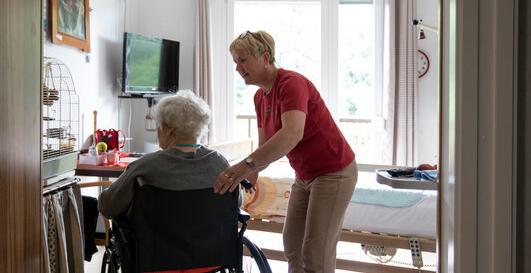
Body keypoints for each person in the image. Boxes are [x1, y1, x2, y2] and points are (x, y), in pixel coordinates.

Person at [213, 30, 358, 273]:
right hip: (304, 176)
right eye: (235, 62)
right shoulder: (260, 97)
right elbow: (265, 147)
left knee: (315, 253)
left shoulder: (291, 83)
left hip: (334, 172)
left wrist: (247, 164)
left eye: (243, 60)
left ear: (265, 58)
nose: (238, 68)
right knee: (293, 245)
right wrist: (253, 170)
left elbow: (292, 133)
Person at [98, 90, 232, 220]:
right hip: (210, 242)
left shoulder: (144, 167)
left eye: (159, 124)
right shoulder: (220, 163)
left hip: (154, 242)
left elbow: (107, 208)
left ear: (169, 130)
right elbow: (234, 203)